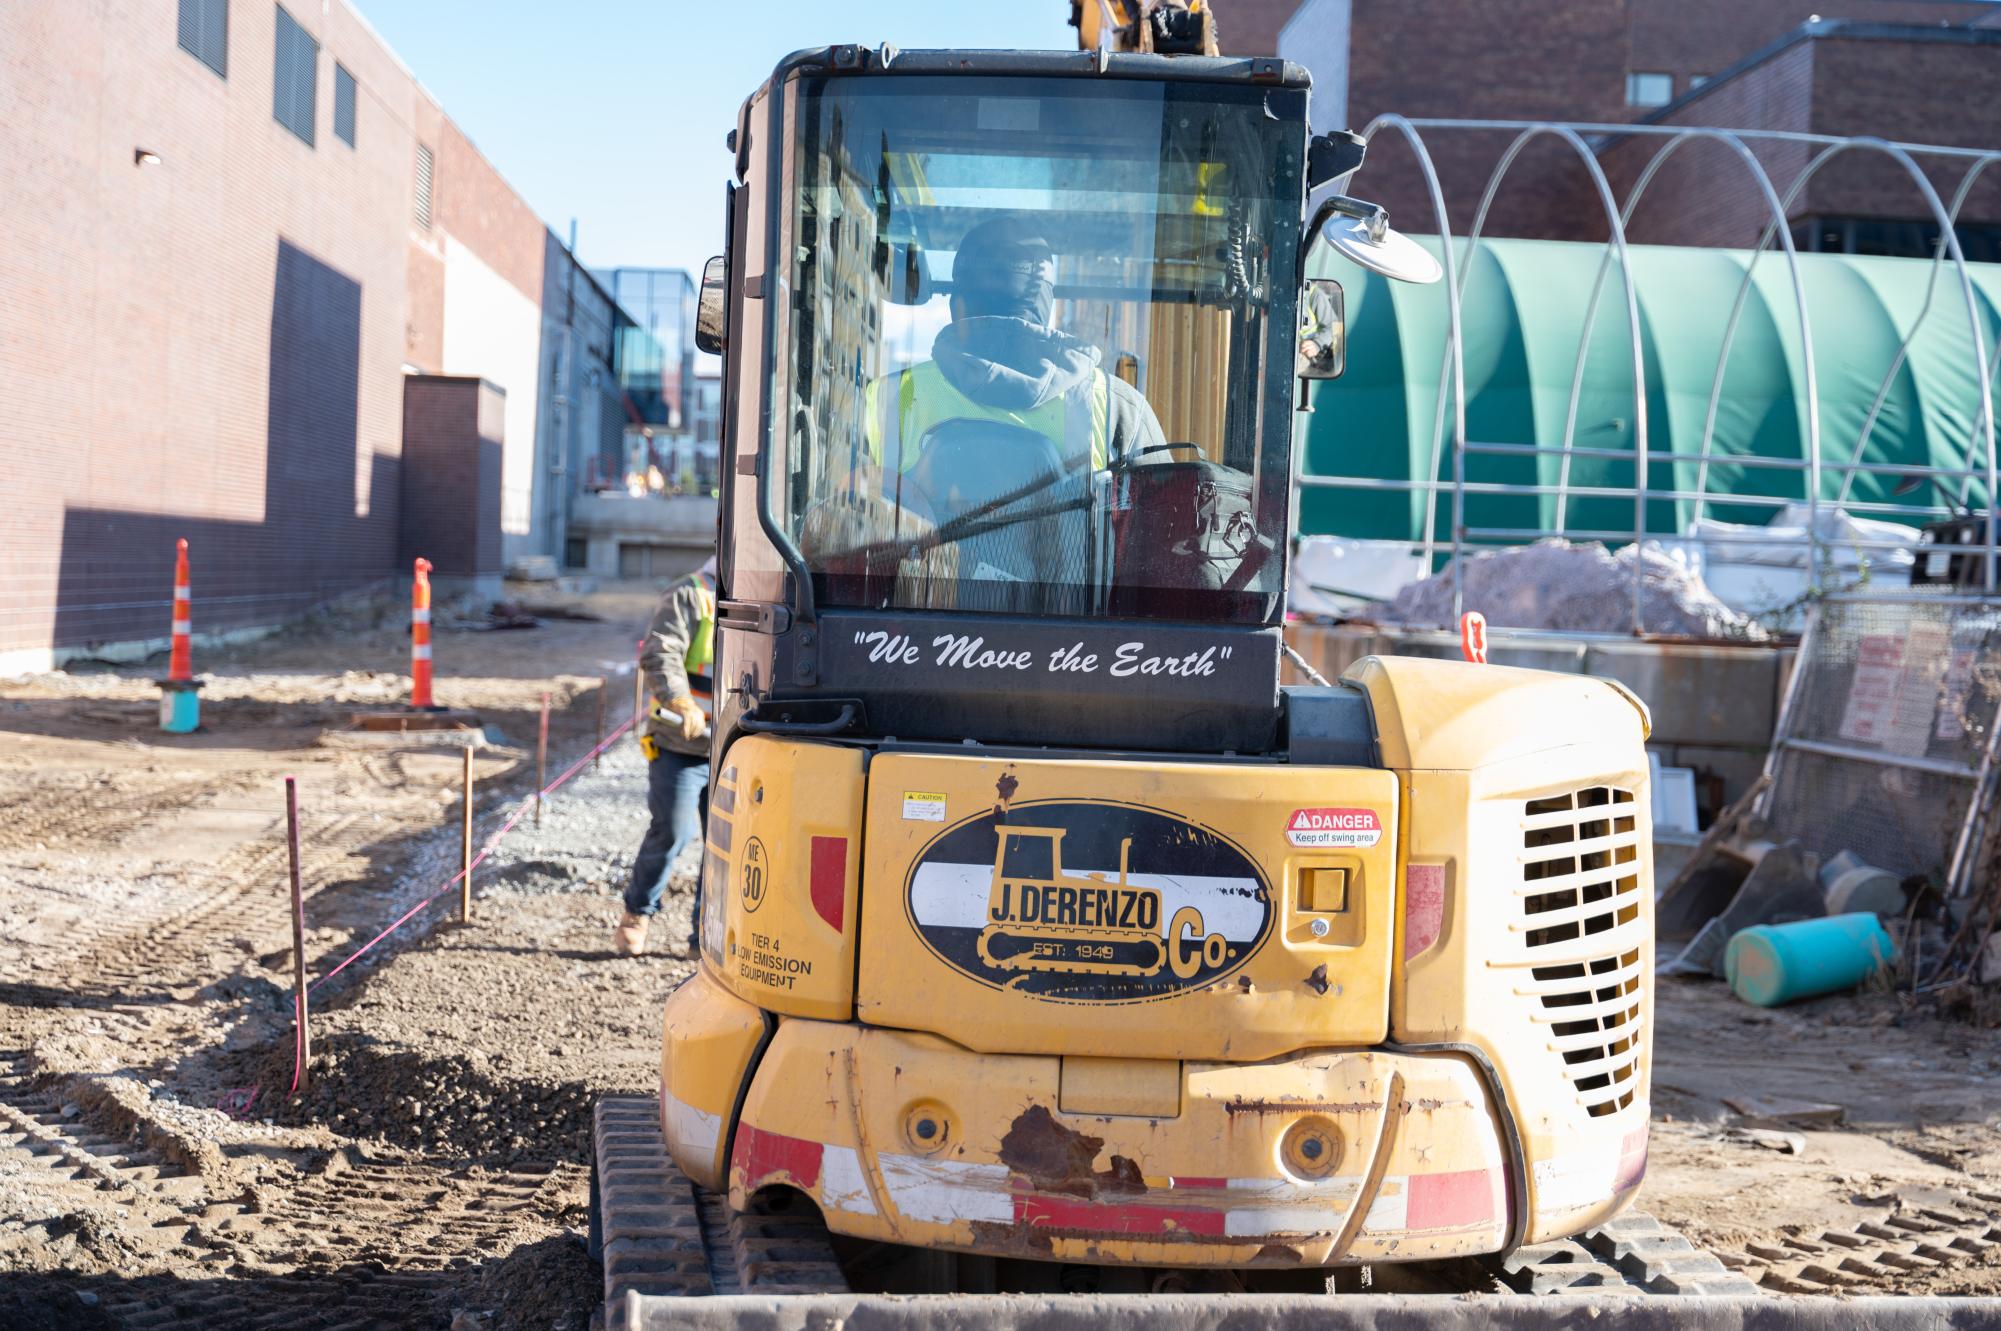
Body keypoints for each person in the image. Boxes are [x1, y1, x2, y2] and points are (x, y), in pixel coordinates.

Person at [863, 215, 1166, 473]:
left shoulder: (887, 400)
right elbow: (1165, 530)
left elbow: (836, 515)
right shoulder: (1116, 407)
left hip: (923, 546)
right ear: (1044, 308)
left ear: (957, 306)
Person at [613, 556, 717, 957]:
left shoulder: (771, 595)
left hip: (735, 747)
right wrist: (681, 700)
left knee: (727, 847)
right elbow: (662, 653)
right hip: (681, 744)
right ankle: (636, 915)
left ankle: (703, 938)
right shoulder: (691, 593)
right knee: (672, 831)